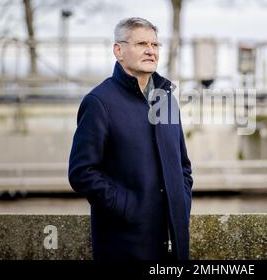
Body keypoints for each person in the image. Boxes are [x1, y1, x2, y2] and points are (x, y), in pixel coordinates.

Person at [68, 17, 193, 260]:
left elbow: (183, 166)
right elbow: (82, 172)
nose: (150, 51)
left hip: (173, 244)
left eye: (155, 45)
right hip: (125, 244)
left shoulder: (166, 100)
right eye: (141, 44)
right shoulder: (99, 102)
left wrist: (182, 205)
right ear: (119, 50)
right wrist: (129, 208)